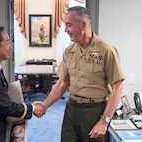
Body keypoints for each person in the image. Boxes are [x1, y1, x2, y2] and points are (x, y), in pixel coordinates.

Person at [35, 6, 125, 142]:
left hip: (95, 110)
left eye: (69, 25)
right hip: (72, 108)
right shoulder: (69, 52)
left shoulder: (106, 50)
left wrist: (104, 121)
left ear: (83, 24)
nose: (65, 30)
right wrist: (44, 105)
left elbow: (117, 86)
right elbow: (62, 83)